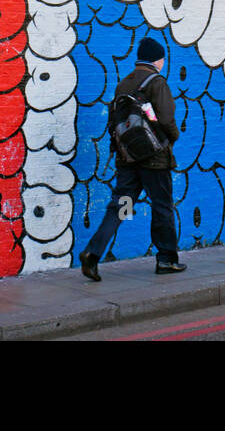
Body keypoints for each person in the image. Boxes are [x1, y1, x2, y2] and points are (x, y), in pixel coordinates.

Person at [80, 36, 187, 279]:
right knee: (161, 205)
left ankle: (93, 253)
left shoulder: (124, 84)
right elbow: (167, 120)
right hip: (154, 160)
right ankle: (166, 259)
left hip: (128, 159)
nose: (162, 63)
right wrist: (172, 138)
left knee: (120, 206)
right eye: (161, 59)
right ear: (157, 60)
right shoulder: (156, 82)